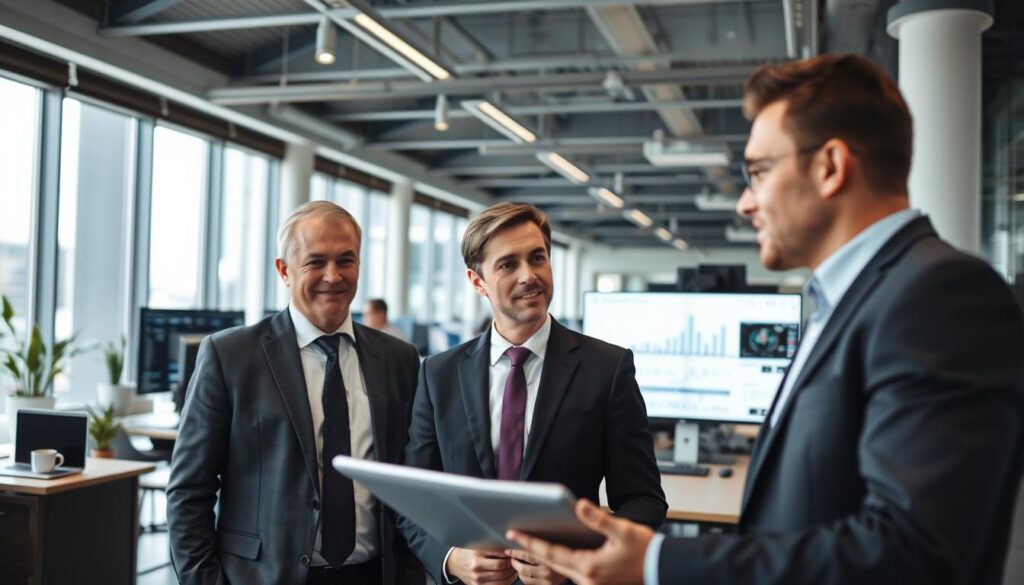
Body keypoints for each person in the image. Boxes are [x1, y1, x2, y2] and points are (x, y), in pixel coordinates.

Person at [507, 54, 1024, 585]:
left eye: (757, 172)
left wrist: (657, 562)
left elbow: (911, 552)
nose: (745, 204)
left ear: (830, 166)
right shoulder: (848, 301)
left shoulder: (937, 295)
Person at [399, 202, 667, 585]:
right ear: (477, 281)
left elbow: (644, 501)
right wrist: (451, 560)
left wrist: (580, 557)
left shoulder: (607, 369)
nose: (530, 275)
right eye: (508, 264)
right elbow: (413, 501)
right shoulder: (438, 374)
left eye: (537, 258)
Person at [167, 200, 422, 585]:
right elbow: (189, 490)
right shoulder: (230, 355)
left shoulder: (398, 359)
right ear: (284, 270)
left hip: (374, 574)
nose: (333, 276)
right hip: (264, 576)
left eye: (346, 260)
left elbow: (412, 481)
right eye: (315, 262)